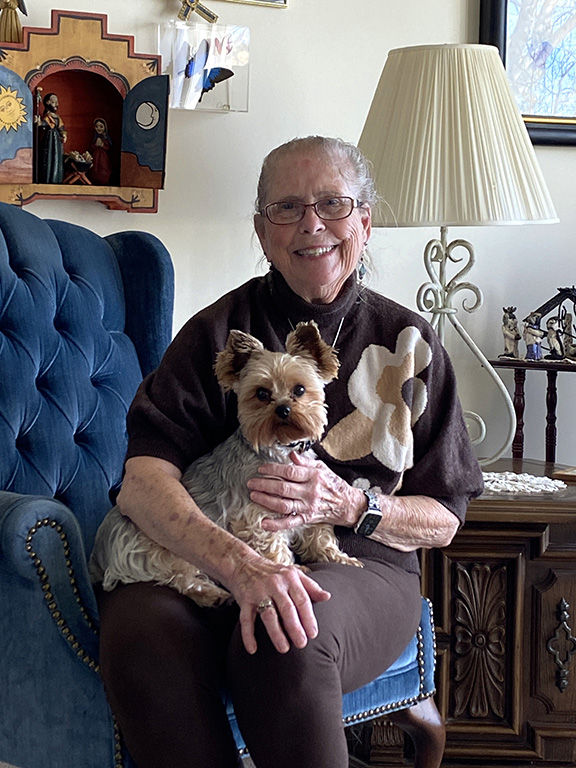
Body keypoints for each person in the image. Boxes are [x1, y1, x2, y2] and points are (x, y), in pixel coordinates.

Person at [95, 135, 484, 768]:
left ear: (365, 220)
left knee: (286, 634)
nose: (312, 224)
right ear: (261, 229)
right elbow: (142, 481)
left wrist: (354, 504)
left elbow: (445, 518)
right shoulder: (217, 332)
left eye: (333, 203)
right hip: (201, 553)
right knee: (140, 636)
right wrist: (238, 566)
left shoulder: (410, 342)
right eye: (287, 208)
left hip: (365, 561)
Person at [35, 92, 67, 184]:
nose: (56, 104)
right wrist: (39, 122)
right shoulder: (47, 116)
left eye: (56, 102)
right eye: (53, 102)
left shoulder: (57, 117)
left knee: (56, 158)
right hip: (49, 139)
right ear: (48, 103)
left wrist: (63, 135)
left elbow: (61, 127)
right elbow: (44, 124)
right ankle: (48, 178)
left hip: (56, 140)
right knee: (49, 157)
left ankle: (56, 178)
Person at [88, 117, 113, 185]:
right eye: (96, 126)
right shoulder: (94, 137)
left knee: (103, 169)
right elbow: (91, 147)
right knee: (95, 169)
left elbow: (109, 147)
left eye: (101, 126)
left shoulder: (106, 138)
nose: (98, 128)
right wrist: (95, 145)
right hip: (95, 156)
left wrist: (102, 145)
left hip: (103, 158)